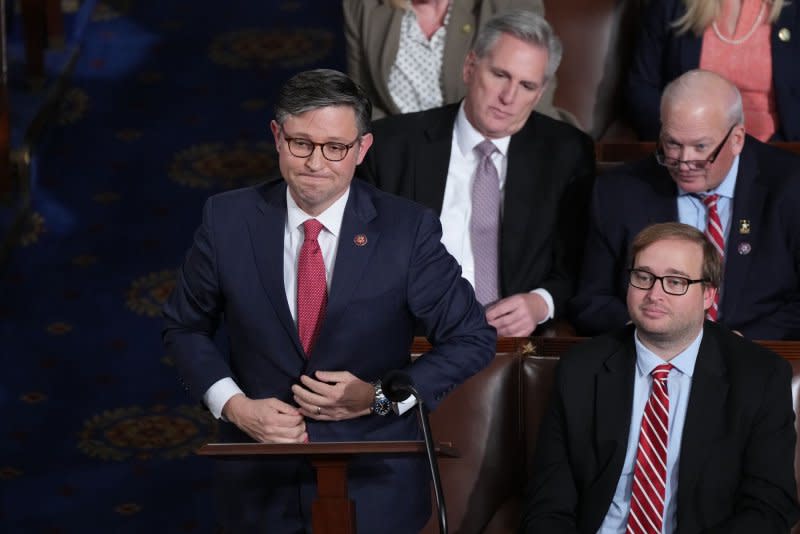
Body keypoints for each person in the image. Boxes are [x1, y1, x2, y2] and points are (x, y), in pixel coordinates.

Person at [162, 68, 496, 533]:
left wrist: (380, 398)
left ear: (361, 149)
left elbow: (472, 338)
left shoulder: (407, 230)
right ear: (277, 137)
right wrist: (235, 406)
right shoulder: (227, 219)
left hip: (376, 479)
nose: (316, 162)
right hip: (260, 479)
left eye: (335, 147)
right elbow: (184, 326)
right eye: (302, 143)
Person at [522, 222, 800, 533]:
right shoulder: (581, 369)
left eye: (676, 281)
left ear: (708, 295)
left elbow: (770, 508)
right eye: (643, 277)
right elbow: (549, 503)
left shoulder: (759, 376)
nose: (655, 294)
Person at [358, 9, 595, 337]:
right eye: (500, 75)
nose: (508, 97)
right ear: (470, 67)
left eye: (526, 85)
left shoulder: (566, 153)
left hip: (510, 342)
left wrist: (541, 303)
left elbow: (579, 262)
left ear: (539, 94)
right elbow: (358, 253)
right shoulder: (392, 146)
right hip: (412, 335)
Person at [571, 69, 800, 340]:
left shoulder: (789, 186)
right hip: (651, 358)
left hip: (757, 356)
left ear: (737, 139)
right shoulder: (619, 192)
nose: (684, 162)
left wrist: (739, 344)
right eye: (672, 144)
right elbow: (591, 302)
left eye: (701, 147)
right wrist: (656, 335)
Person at [342, 0, 576, 125]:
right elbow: (364, 101)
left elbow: (528, 86)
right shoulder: (364, 5)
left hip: (494, 142)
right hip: (406, 155)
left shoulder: (506, 3)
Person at [627, 0, 800, 141]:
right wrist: (680, 142)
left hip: (777, 150)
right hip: (689, 158)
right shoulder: (670, 6)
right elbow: (641, 89)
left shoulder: (793, 9)